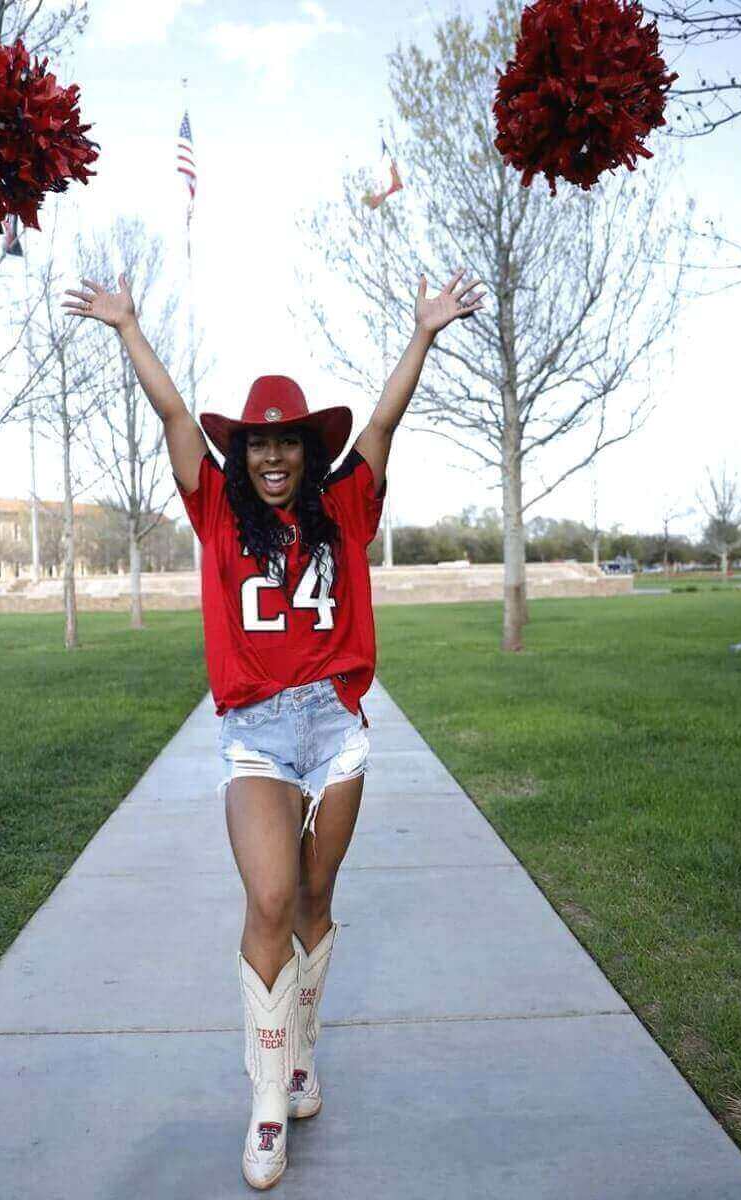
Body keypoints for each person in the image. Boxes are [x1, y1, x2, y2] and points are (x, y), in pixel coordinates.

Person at [62, 266, 484, 1190]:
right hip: (256, 731)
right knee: (268, 899)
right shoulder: (216, 509)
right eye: (260, 445)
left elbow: (381, 425)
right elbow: (177, 422)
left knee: (314, 901)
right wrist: (129, 327)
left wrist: (423, 334)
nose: (274, 458)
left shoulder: (343, 508)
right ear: (245, 452)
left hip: (335, 729)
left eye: (288, 443)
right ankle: (263, 1101)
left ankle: (300, 1052)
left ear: (305, 450)